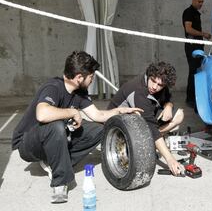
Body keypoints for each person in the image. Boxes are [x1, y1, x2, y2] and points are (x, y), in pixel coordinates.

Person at [11, 51, 142, 204]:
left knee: (102, 129)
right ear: (79, 77)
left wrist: (120, 112)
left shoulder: (80, 92)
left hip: (55, 136)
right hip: (28, 143)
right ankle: (60, 183)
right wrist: (72, 112)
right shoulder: (53, 87)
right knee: (56, 125)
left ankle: (57, 161)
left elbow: (97, 115)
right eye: (91, 77)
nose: (92, 80)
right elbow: (42, 114)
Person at [107, 62, 185, 176]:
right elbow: (150, 126)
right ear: (149, 75)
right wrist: (170, 160)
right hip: (117, 126)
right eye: (153, 81)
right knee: (144, 120)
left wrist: (169, 106)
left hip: (142, 119)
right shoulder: (138, 91)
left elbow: (169, 97)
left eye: (160, 85)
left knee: (179, 114)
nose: (155, 87)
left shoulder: (160, 84)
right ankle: (154, 141)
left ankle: (153, 141)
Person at [182, 0, 212, 108]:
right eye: (199, 1)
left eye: (202, 2)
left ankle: (195, 97)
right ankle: (190, 99)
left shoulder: (195, 13)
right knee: (193, 71)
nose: (201, 4)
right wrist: (203, 34)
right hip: (192, 45)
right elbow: (188, 29)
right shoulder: (188, 12)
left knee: (197, 71)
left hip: (197, 45)